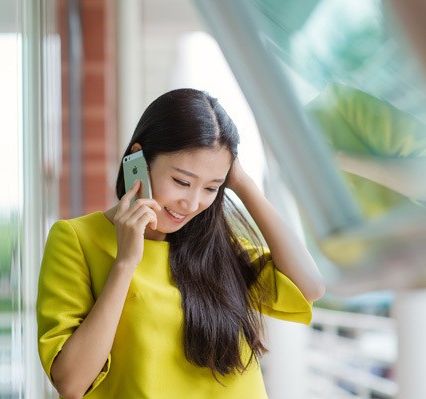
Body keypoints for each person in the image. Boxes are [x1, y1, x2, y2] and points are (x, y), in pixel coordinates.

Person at [37, 88, 325, 399]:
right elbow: (71, 382)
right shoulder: (77, 240)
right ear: (139, 158)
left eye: (212, 188)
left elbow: (309, 286)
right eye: (182, 182)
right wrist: (125, 263)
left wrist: (242, 183)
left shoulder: (216, 247)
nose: (192, 203)